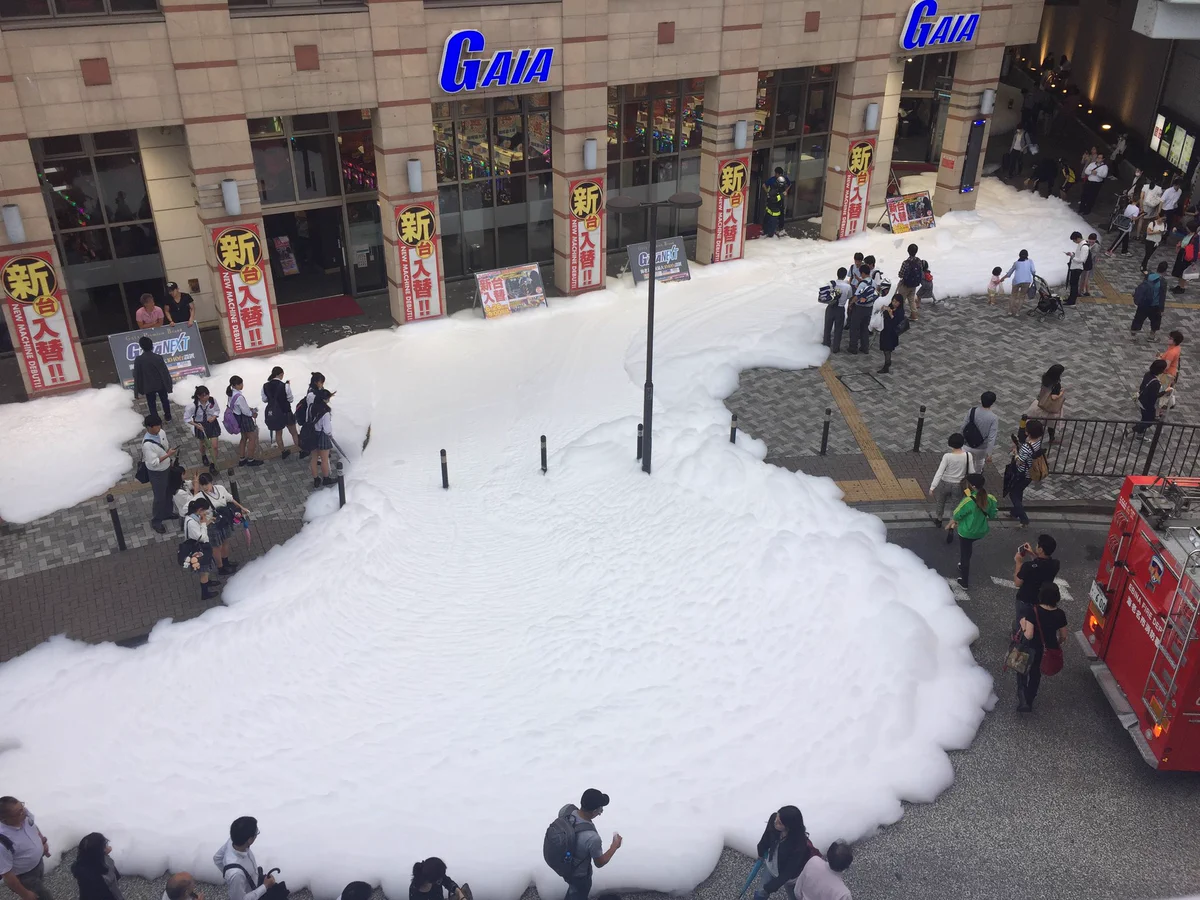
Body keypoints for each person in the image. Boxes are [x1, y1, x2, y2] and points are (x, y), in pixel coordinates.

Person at [553, 789, 620, 900]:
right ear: (594, 812)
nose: (601, 812)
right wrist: (614, 846)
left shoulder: (566, 811)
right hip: (580, 875)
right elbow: (600, 862)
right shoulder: (592, 837)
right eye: (600, 809)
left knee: (573, 890)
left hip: (565, 866)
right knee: (578, 893)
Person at [1015, 582, 1068, 712]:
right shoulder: (1060, 614)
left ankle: (1023, 699)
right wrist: (1056, 643)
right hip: (1046, 648)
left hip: (1032, 647)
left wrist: (1023, 625)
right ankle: (1030, 699)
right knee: (1035, 674)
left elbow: (1029, 635)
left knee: (1022, 670)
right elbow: (1063, 635)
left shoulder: (1033, 611)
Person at [946, 473, 998, 590]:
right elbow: (993, 514)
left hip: (966, 532)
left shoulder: (968, 501)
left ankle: (964, 582)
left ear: (973, 486)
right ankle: (963, 564)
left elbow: (957, 514)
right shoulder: (990, 498)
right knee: (967, 550)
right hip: (981, 531)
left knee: (965, 554)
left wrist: (953, 523)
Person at [194, 471, 249, 577]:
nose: (205, 487)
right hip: (211, 525)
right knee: (216, 547)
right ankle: (221, 568)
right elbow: (195, 508)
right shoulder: (200, 497)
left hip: (224, 520)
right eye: (202, 485)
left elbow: (230, 499)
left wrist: (241, 508)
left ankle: (226, 562)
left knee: (225, 541)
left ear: (211, 482)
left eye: (206, 484)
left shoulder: (220, 488)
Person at [754, 807, 813, 900]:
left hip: (791, 877)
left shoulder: (799, 845)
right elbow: (766, 837)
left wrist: (774, 885)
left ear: (789, 827)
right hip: (772, 867)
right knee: (761, 892)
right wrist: (760, 851)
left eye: (779, 823)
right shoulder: (774, 821)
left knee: (794, 895)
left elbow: (790, 870)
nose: (775, 822)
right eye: (777, 818)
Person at [0, 798, 52, 900]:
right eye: (18, 812)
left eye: (22, 806)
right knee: (44, 896)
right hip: (25, 875)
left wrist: (43, 841)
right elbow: (7, 875)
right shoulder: (3, 842)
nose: (24, 811)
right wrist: (25, 894)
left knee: (40, 885)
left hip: (38, 864)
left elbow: (33, 826)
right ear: (3, 819)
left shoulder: (24, 815)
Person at [213, 816, 277, 900]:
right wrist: (265, 886)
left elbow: (217, 858)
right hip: (253, 893)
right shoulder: (236, 874)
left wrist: (228, 875)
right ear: (249, 840)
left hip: (255, 881)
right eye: (256, 833)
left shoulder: (232, 841)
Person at [142, 413, 179, 534]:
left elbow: (165, 446)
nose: (159, 428)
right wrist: (168, 455)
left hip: (167, 468)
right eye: (156, 426)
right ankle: (156, 521)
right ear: (149, 427)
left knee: (168, 491)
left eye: (159, 425)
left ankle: (168, 512)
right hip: (157, 473)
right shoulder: (147, 445)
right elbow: (154, 463)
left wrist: (169, 458)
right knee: (159, 497)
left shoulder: (161, 433)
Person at [929, 433, 976, 527]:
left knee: (940, 502)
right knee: (955, 505)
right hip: (959, 485)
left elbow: (939, 472)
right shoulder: (968, 455)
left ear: (950, 444)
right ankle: (952, 524)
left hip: (945, 483)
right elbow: (972, 471)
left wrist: (932, 487)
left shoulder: (947, 456)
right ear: (962, 443)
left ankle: (939, 519)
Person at [182, 497, 221, 600]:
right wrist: (204, 523)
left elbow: (200, 528)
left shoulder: (192, 517)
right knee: (204, 571)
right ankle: (205, 593)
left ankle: (207, 582)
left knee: (206, 569)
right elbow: (202, 537)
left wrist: (207, 521)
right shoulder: (191, 523)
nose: (206, 513)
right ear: (199, 510)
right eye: (204, 511)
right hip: (199, 550)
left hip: (201, 548)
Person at [1008, 419, 1044, 526]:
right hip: (1030, 473)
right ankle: (1015, 513)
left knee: (1013, 494)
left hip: (1022, 474)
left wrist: (1015, 453)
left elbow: (1019, 461)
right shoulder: (1038, 443)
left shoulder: (1026, 447)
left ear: (1028, 432)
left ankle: (1024, 519)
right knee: (1019, 491)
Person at [1013, 533, 1060, 616]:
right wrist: (1032, 554)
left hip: (1026, 601)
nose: (1036, 546)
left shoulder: (1027, 566)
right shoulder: (1055, 564)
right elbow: (1040, 564)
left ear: (1041, 549)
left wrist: (1018, 562)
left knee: (1022, 621)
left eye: (1037, 545)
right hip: (1041, 601)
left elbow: (1017, 583)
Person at [71, 834, 126, 900]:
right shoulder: (105, 871)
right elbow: (113, 885)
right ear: (99, 852)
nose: (108, 847)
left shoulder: (80, 865)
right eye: (105, 846)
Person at [133, 335, 174, 423]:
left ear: (141, 347)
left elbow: (137, 376)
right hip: (161, 384)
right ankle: (168, 417)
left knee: (151, 403)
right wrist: (169, 385)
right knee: (164, 400)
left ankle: (156, 420)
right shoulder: (158, 357)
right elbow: (165, 372)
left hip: (148, 386)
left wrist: (136, 392)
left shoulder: (139, 360)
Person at [262, 367, 300, 460]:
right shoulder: (285, 386)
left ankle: (283, 452)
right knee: (294, 432)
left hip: (275, 413)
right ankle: (301, 450)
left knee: (278, 433)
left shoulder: (265, 386)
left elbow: (264, 399)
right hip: (286, 411)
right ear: (281, 374)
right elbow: (290, 399)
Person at [226, 376, 263, 467]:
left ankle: (242, 459)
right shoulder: (239, 397)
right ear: (235, 385)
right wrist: (253, 413)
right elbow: (246, 412)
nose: (242, 385)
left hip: (237, 418)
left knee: (243, 438)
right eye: (240, 384)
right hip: (245, 419)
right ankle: (250, 459)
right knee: (252, 438)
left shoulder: (231, 394)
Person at [305, 388, 337, 488]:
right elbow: (327, 429)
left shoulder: (311, 407)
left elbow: (307, 419)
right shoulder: (325, 412)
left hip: (312, 435)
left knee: (314, 458)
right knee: (324, 459)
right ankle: (326, 478)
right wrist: (330, 435)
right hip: (322, 436)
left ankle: (316, 479)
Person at [1131, 262, 1169, 342]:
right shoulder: (1163, 282)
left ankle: (1133, 335)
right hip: (1154, 305)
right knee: (1155, 320)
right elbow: (1162, 297)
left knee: (1138, 318)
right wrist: (1162, 309)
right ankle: (1151, 336)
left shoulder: (1149, 275)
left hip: (1143, 302)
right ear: (1165, 271)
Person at [1025, 364, 1066, 440]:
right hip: (1049, 406)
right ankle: (1051, 438)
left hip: (1040, 402)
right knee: (1051, 424)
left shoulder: (1045, 377)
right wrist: (1062, 392)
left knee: (1036, 421)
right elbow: (1054, 397)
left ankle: (1029, 436)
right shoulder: (1056, 384)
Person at [1133, 359, 1172, 437]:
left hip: (1141, 400)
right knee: (1149, 421)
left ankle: (1139, 436)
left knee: (1144, 419)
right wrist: (1165, 391)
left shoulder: (1147, 374)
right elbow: (1155, 395)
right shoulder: (1155, 383)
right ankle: (1131, 430)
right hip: (1148, 405)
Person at [962, 391, 999, 472]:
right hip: (981, 447)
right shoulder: (993, 418)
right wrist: (989, 453)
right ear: (992, 403)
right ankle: (977, 474)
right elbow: (992, 437)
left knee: (964, 460)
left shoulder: (972, 411)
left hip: (967, 444)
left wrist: (960, 441)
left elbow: (963, 427)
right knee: (979, 462)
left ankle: (964, 472)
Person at [189, 385, 221, 475]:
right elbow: (187, 418)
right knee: (203, 443)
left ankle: (213, 464)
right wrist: (196, 425)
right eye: (204, 395)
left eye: (207, 394)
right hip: (200, 425)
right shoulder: (193, 405)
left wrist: (214, 417)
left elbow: (217, 410)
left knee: (214, 446)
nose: (206, 397)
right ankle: (203, 455)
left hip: (212, 424)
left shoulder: (212, 400)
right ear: (198, 396)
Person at [846, 264, 875, 355]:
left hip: (859, 308)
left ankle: (853, 347)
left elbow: (857, 296)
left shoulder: (862, 284)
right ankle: (865, 347)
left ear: (862, 273)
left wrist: (851, 303)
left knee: (854, 328)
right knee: (864, 328)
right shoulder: (873, 282)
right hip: (869, 307)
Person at [822, 267, 852, 352]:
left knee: (827, 328)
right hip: (840, 309)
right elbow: (849, 296)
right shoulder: (848, 286)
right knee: (838, 329)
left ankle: (826, 344)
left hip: (830, 307)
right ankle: (836, 348)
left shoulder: (831, 284)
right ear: (845, 275)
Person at [1170, 220, 1199, 295]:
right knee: (1179, 271)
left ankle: (1182, 287)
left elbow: (1195, 249)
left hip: (1187, 257)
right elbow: (1182, 230)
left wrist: (1193, 260)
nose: (1186, 228)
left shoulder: (1195, 237)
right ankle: (1179, 285)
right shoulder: (1188, 234)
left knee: (1184, 272)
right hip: (1182, 254)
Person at [1003, 251, 1035, 317]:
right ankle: (1017, 312)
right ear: (1027, 255)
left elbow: (1009, 273)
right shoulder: (1030, 261)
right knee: (1022, 296)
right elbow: (1033, 271)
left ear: (1019, 255)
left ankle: (1010, 311)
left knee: (1013, 296)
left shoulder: (1016, 263)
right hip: (1026, 281)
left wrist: (1003, 278)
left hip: (1016, 281)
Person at [876, 294, 903, 374]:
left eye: (896, 302)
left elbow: (896, 322)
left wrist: (891, 313)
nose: (894, 303)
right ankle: (887, 362)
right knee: (885, 348)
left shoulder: (900, 311)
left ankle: (887, 365)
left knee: (887, 349)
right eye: (893, 301)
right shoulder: (890, 306)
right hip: (885, 330)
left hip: (891, 333)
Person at [896, 243, 923, 321]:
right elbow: (921, 271)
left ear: (908, 251)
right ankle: (914, 315)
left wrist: (900, 274)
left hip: (905, 285)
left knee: (901, 300)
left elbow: (901, 274)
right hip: (914, 284)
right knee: (911, 300)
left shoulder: (906, 263)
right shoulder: (919, 261)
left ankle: (899, 316)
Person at [762, 168, 790, 238]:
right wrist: (768, 193)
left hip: (777, 203)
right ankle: (768, 232)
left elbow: (789, 185)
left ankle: (779, 228)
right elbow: (765, 186)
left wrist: (785, 191)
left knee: (779, 215)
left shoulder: (783, 180)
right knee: (770, 218)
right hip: (773, 204)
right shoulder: (772, 182)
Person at [1064, 231, 1087, 306]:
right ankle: (1070, 298)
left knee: (1074, 285)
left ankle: (1072, 301)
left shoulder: (1084, 247)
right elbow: (1078, 255)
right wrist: (1072, 254)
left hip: (1078, 268)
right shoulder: (1081, 245)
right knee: (1072, 284)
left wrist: (1072, 256)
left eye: (1074, 240)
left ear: (1078, 238)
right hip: (1075, 267)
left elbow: (1081, 259)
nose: (1074, 242)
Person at [1079, 233, 1098, 297]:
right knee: (1085, 278)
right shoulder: (1087, 243)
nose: (1091, 243)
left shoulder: (1096, 247)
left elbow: (1091, 256)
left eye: (1093, 242)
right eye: (1090, 241)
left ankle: (1081, 291)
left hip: (1089, 265)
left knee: (1084, 278)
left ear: (1095, 240)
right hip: (1087, 264)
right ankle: (1087, 291)